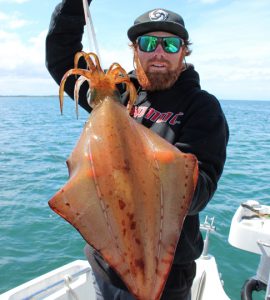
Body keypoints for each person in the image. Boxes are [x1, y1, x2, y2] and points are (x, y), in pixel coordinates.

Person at [46, 1, 229, 299]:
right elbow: (61, 58)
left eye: (170, 44)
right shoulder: (115, 95)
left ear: (184, 51)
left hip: (165, 275)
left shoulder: (202, 107)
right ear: (135, 49)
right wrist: (74, 5)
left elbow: (200, 191)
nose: (159, 52)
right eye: (147, 43)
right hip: (107, 266)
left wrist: (134, 154)